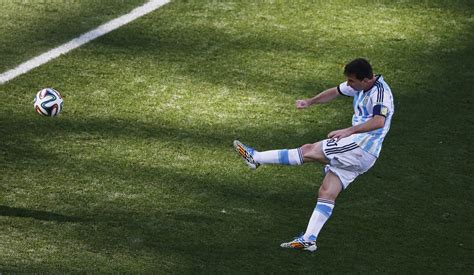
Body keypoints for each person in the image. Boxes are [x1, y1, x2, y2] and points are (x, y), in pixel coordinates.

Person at [233, 58, 394, 252]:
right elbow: (335, 91)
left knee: (308, 151)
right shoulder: (361, 85)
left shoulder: (380, 93)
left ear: (366, 80)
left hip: (360, 147)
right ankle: (309, 239)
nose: (349, 85)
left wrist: (349, 131)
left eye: (352, 81)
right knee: (327, 191)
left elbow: (378, 122)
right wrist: (310, 102)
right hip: (363, 154)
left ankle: (255, 158)